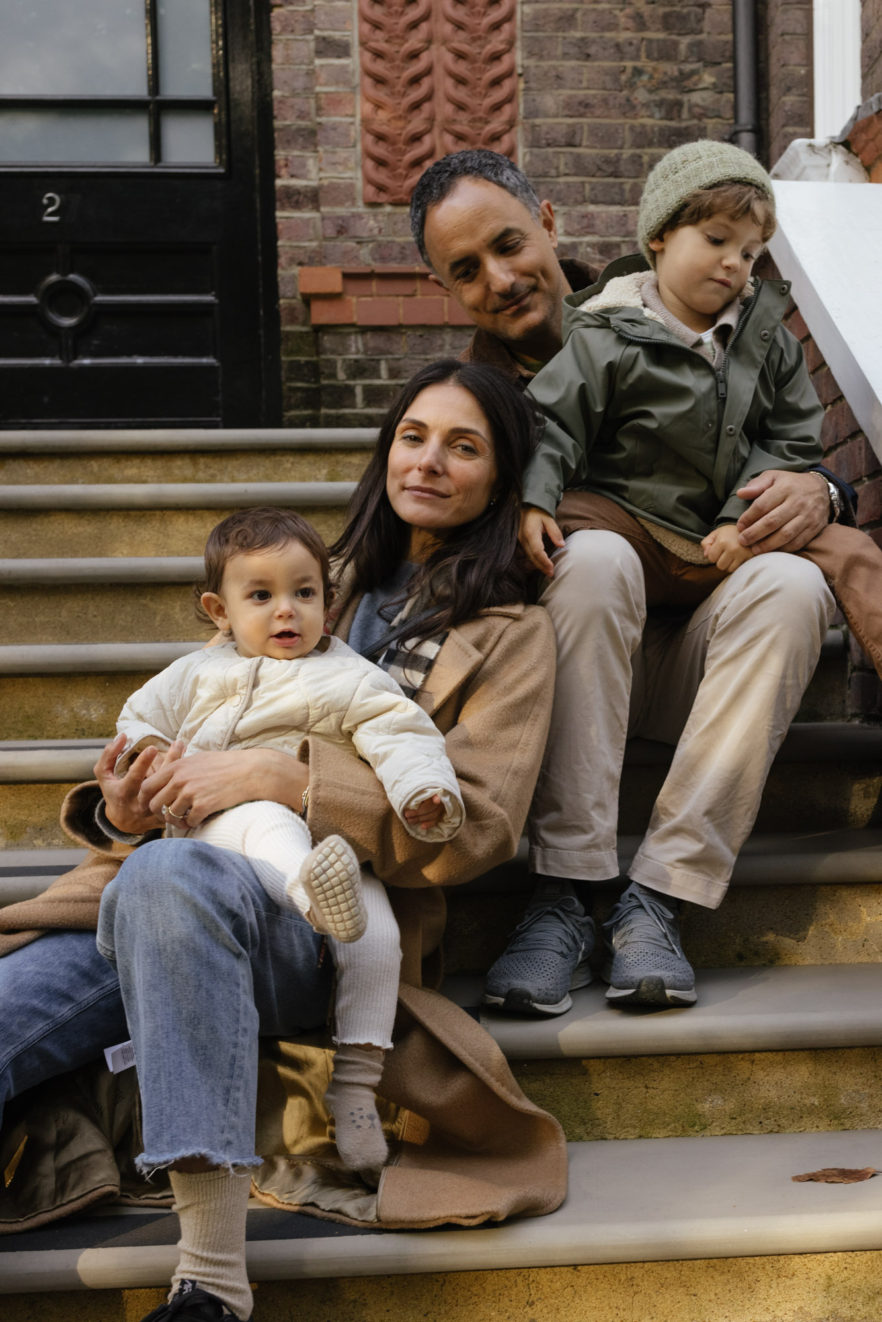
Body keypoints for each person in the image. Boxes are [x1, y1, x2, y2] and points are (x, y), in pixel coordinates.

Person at [0, 360, 558, 1322]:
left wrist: (284, 778)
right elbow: (158, 737)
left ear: (503, 478)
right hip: (149, 888)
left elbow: (483, 822)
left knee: (175, 873)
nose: (428, 460)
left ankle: (211, 1279)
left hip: (323, 921)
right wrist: (124, 809)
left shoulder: (510, 633)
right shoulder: (301, 580)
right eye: (413, 435)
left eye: (464, 446)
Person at [409, 147, 861, 1018]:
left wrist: (824, 487)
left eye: (508, 244)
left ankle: (661, 894)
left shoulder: (691, 315)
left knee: (795, 587)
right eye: (467, 271)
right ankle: (567, 892)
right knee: (596, 557)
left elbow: (790, 436)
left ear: (548, 220)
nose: (499, 280)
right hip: (569, 670)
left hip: (702, 658)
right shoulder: (461, 413)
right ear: (446, 289)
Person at [114, 505, 466, 1179]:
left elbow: (401, 734)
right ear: (219, 610)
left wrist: (424, 791)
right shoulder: (194, 674)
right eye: (262, 596)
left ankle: (357, 1086)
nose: (287, 612)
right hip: (221, 835)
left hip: (326, 844)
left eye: (305, 594)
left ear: (329, 607)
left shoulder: (350, 676)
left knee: (380, 932)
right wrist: (149, 762)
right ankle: (312, 892)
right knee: (269, 825)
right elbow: (139, 723)